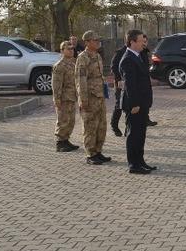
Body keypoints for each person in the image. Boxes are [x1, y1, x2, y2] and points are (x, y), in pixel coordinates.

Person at [119, 30, 156, 174]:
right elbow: (130, 85)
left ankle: (140, 161)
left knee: (141, 134)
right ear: (132, 42)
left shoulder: (138, 56)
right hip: (134, 104)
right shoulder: (128, 59)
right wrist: (134, 104)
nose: (143, 43)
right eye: (140, 41)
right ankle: (133, 165)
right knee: (133, 135)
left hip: (142, 102)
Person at [75, 30, 111, 165]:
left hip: (99, 96)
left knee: (101, 126)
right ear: (87, 42)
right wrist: (83, 99)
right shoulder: (83, 58)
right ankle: (90, 154)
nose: (98, 42)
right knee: (90, 126)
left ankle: (98, 151)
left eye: (98, 40)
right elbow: (80, 80)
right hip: (89, 98)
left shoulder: (97, 55)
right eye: (95, 40)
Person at [52, 40, 80, 152]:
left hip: (72, 96)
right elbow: (56, 84)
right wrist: (57, 99)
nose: (71, 50)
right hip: (63, 98)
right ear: (62, 51)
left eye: (72, 48)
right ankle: (60, 143)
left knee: (70, 120)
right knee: (63, 120)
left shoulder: (73, 63)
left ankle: (66, 140)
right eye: (68, 49)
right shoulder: (59, 66)